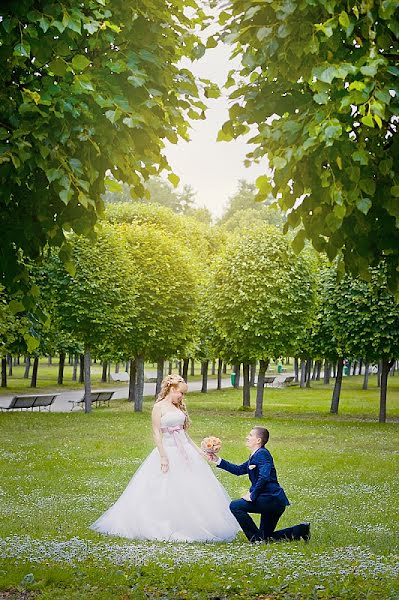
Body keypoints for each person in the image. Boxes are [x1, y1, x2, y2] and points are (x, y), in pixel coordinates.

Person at [91, 374, 239, 542]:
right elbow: (156, 433)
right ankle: (165, 523)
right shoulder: (159, 407)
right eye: (180, 393)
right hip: (168, 450)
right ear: (172, 389)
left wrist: (199, 451)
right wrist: (163, 456)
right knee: (164, 487)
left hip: (185, 452)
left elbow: (184, 434)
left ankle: (194, 522)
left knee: (193, 486)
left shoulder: (179, 407)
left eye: (183, 394)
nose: (182, 397)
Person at [207, 426, 310, 543]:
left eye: (250, 435)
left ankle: (255, 540)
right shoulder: (255, 455)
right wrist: (217, 460)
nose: (247, 437)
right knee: (265, 538)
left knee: (235, 506)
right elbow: (239, 470)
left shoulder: (262, 454)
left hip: (272, 500)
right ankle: (301, 529)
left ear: (258, 440)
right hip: (271, 500)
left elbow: (264, 477)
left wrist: (252, 495)